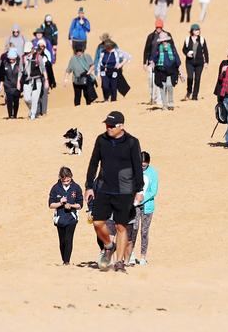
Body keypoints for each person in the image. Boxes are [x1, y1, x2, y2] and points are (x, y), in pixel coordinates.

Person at [84, 111, 143, 272]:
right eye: (106, 125)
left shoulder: (132, 142)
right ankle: (109, 245)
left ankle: (119, 263)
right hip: (103, 188)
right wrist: (89, 186)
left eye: (111, 126)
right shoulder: (101, 140)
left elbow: (137, 167)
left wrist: (139, 189)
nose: (108, 128)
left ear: (121, 126)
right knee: (97, 222)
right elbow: (93, 163)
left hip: (124, 191)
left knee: (121, 227)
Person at [129, 151, 158, 266]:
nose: (142, 166)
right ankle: (130, 254)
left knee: (144, 232)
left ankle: (143, 256)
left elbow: (153, 191)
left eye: (144, 165)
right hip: (134, 205)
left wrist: (141, 199)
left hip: (147, 206)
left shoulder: (153, 173)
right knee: (133, 230)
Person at [49, 166, 83, 265]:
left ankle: (66, 262)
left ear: (71, 177)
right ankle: (64, 259)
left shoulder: (76, 187)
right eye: (64, 181)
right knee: (62, 241)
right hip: (59, 219)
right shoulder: (55, 188)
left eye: (68, 180)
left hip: (71, 218)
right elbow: (51, 205)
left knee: (69, 239)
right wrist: (60, 203)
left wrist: (71, 206)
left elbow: (80, 205)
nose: (67, 182)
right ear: (61, 178)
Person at [145, 25, 180, 111]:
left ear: (168, 40)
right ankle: (164, 105)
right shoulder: (158, 49)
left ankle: (171, 104)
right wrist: (152, 62)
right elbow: (153, 57)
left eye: (165, 40)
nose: (164, 42)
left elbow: (177, 58)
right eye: (162, 41)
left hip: (171, 71)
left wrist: (179, 69)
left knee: (169, 86)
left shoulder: (172, 48)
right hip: (160, 71)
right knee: (162, 87)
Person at [96, 36, 130, 103]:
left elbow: (128, 56)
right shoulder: (103, 52)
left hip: (114, 71)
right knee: (105, 86)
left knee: (113, 86)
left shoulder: (117, 52)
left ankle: (113, 100)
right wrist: (98, 72)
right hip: (104, 71)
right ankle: (106, 99)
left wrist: (121, 64)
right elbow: (99, 62)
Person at [182, 24, 209, 100]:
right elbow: (184, 49)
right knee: (190, 77)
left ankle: (195, 96)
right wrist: (187, 53)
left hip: (200, 63)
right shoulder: (187, 39)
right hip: (189, 62)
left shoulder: (202, 40)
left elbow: (205, 51)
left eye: (198, 30)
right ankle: (189, 91)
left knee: (197, 79)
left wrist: (206, 62)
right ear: (192, 31)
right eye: (196, 30)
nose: (198, 31)